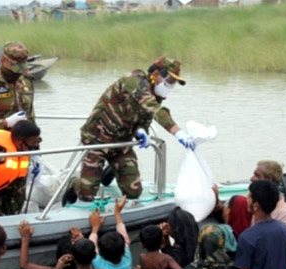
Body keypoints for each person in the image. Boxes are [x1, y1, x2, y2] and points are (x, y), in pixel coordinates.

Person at [63, 57, 195, 205]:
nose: (170, 86)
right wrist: (177, 132)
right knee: (87, 195)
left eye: (174, 83)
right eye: (170, 80)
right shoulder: (135, 80)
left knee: (134, 192)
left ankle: (112, 167)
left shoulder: (156, 95)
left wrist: (141, 131)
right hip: (98, 138)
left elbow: (145, 119)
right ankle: (74, 183)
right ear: (157, 73)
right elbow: (153, 108)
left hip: (121, 143)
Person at [251, 160, 286, 231]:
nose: (252, 178)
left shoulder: (284, 213)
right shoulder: (258, 205)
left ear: (269, 179)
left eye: (257, 175)